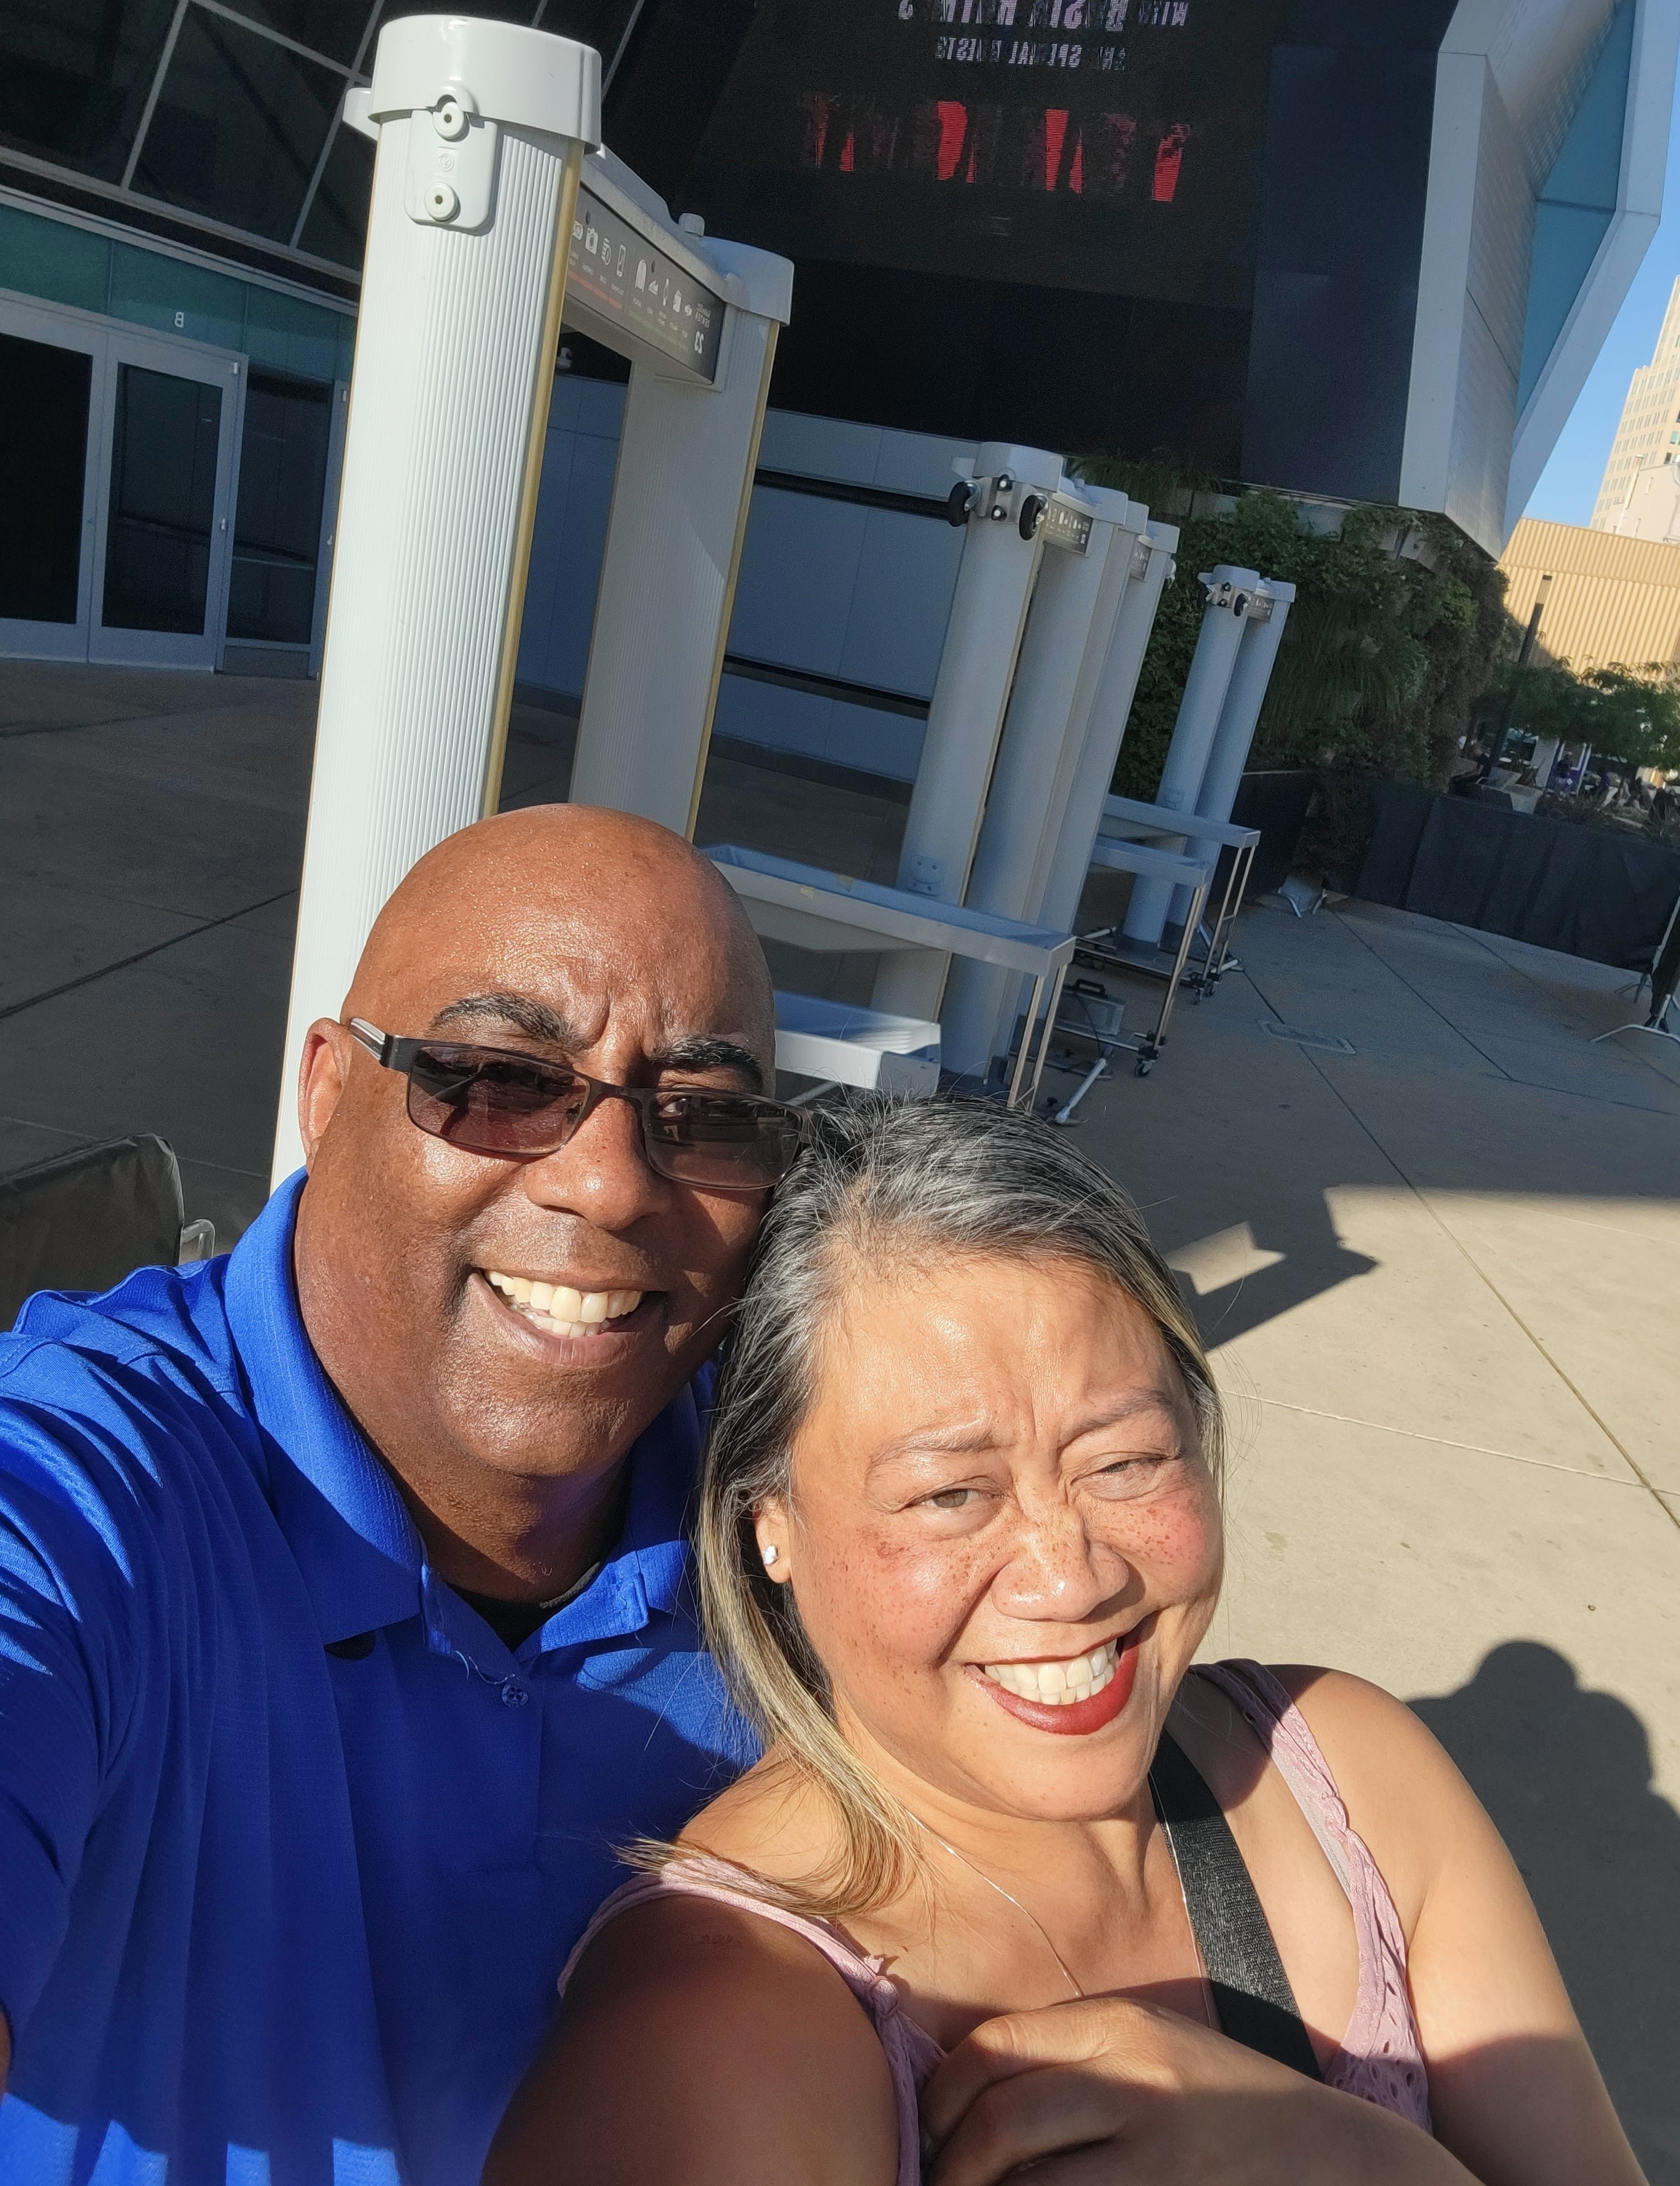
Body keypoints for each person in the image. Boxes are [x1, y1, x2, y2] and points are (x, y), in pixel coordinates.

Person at [489, 1099, 1646, 2186]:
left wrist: (1345, 2154)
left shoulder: (1352, 1780)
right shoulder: (717, 2039)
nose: (1071, 1575)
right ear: (771, 1525)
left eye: (1126, 1462)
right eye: (951, 1493)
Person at [0, 805, 807, 2185]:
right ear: (326, 1091)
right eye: (499, 1080)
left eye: (703, 1116)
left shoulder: (808, 1512)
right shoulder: (97, 1478)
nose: (611, 1184)